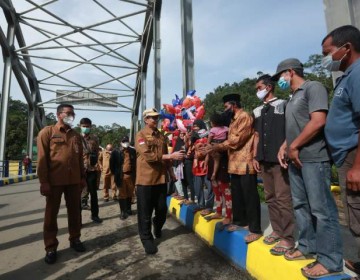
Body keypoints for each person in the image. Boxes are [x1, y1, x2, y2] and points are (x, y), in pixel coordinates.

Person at [273, 58, 343, 278]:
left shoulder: (313, 88)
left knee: (322, 210)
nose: (279, 81)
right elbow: (294, 128)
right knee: (301, 205)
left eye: (281, 76)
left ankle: (330, 260)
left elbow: (318, 121)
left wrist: (294, 146)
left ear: (290, 72)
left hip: (313, 157)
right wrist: (285, 146)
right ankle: (306, 246)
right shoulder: (292, 97)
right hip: (295, 158)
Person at [322, 25, 360, 277]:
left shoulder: (358, 74)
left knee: (357, 210)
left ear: (346, 49)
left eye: (329, 52)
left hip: (353, 155)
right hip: (346, 155)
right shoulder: (347, 76)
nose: (327, 59)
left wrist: (357, 166)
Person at [204, 94, 262, 243]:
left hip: (246, 163)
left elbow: (236, 140)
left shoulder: (245, 117)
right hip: (233, 164)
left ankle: (255, 229)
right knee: (237, 195)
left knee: (250, 196)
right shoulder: (232, 120)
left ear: (233, 104)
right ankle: (240, 221)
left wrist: (216, 146)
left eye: (226, 106)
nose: (225, 110)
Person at [37, 104, 86, 265]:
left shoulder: (76, 135)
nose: (72, 115)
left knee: (75, 212)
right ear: (59, 114)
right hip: (54, 182)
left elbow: (80, 159)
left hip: (73, 181)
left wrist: (82, 177)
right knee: (51, 215)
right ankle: (50, 247)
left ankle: (75, 239)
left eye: (73, 113)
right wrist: (44, 181)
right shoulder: (47, 132)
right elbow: (42, 159)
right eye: (69, 113)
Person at [252, 74, 295, 256]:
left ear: (268, 87)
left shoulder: (284, 105)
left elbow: (291, 129)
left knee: (283, 198)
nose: (257, 91)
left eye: (259, 88)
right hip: (263, 159)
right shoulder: (257, 111)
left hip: (280, 160)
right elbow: (257, 135)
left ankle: (288, 237)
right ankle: (277, 230)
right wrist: (254, 156)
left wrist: (286, 149)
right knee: (270, 197)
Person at [135, 108, 185, 254]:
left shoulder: (162, 136)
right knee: (145, 213)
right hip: (146, 180)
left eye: (156, 117)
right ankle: (146, 238)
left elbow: (166, 158)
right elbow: (148, 155)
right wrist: (170, 157)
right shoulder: (141, 135)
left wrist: (171, 173)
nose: (155, 120)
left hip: (161, 179)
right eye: (151, 118)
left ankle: (157, 226)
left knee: (162, 210)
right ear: (145, 119)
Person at [204, 113, 231, 226]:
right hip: (218, 158)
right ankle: (221, 212)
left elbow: (208, 143)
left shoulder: (213, 131)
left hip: (219, 159)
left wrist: (209, 146)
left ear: (213, 122)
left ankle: (228, 215)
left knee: (223, 190)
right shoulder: (226, 129)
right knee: (220, 189)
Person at [79, 118, 102, 223]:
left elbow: (97, 151)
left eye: (87, 126)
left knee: (93, 194)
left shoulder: (94, 138)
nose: (86, 128)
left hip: (91, 169)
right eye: (84, 126)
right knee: (77, 195)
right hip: (79, 170)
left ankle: (95, 215)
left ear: (90, 127)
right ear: (80, 126)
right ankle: (77, 220)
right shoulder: (76, 138)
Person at [110, 136, 137, 220]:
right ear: (120, 142)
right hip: (121, 176)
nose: (125, 142)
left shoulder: (132, 151)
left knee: (130, 193)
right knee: (122, 194)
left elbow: (135, 163)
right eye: (123, 141)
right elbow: (112, 165)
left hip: (131, 176)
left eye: (127, 141)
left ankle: (128, 209)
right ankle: (123, 212)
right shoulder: (115, 152)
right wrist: (116, 174)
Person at [191, 120, 214, 214]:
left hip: (206, 163)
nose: (195, 128)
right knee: (197, 186)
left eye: (196, 126)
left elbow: (208, 149)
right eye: (194, 126)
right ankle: (200, 204)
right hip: (197, 165)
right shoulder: (193, 136)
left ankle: (209, 206)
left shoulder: (208, 135)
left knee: (210, 186)